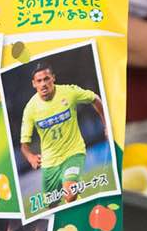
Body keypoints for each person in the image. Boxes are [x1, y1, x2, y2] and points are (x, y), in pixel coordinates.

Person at [18, 63, 105, 210]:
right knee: (52, 206)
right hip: (50, 161)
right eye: (39, 81)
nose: (43, 84)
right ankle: (79, 204)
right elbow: (24, 145)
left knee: (69, 194)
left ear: (53, 78)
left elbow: (94, 98)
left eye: (46, 79)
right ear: (34, 84)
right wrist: (30, 157)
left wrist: (106, 124)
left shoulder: (68, 92)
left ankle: (80, 206)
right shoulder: (30, 108)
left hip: (73, 153)